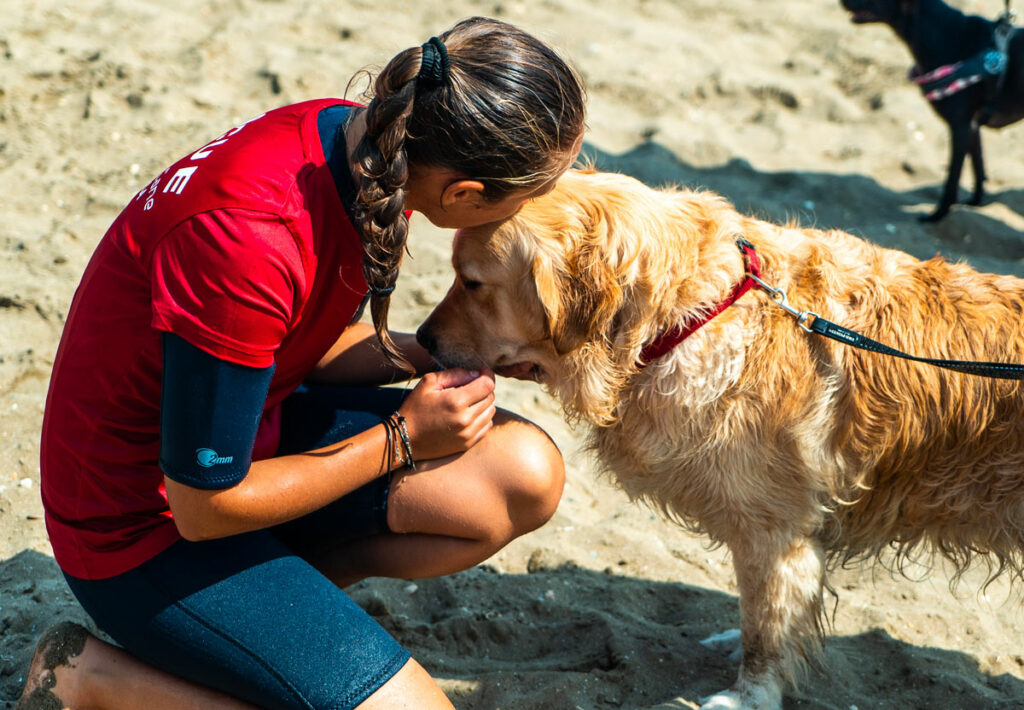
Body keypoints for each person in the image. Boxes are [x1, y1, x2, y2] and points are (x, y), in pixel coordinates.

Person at [18, 16, 586, 710]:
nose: (538, 206)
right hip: (142, 528)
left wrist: (439, 351)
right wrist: (403, 438)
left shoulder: (376, 143)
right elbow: (203, 507)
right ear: (463, 196)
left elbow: (304, 352)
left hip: (252, 437)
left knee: (520, 474)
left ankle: (262, 628)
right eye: (531, 195)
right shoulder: (249, 239)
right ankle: (97, 680)